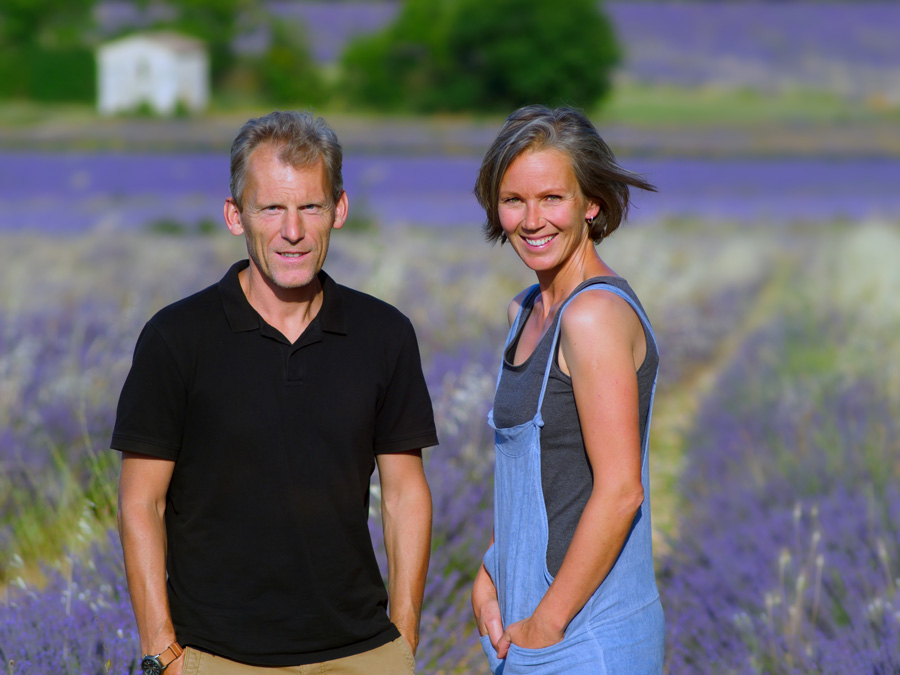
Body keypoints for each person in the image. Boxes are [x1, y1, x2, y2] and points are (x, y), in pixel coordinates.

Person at [113, 111, 437, 675]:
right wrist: (162, 652)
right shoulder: (176, 337)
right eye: (271, 208)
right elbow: (141, 502)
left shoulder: (384, 334)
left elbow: (405, 495)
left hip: (364, 654)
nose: (293, 231)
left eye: (310, 207)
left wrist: (403, 640)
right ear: (236, 216)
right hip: (217, 658)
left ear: (339, 209)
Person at [471, 104, 664, 674]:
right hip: (531, 630)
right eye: (514, 201)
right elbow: (538, 479)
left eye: (552, 198)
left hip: (586, 639)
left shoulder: (593, 317)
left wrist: (547, 623)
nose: (532, 221)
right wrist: (491, 570)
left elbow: (621, 489)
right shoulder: (525, 311)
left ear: (592, 203)